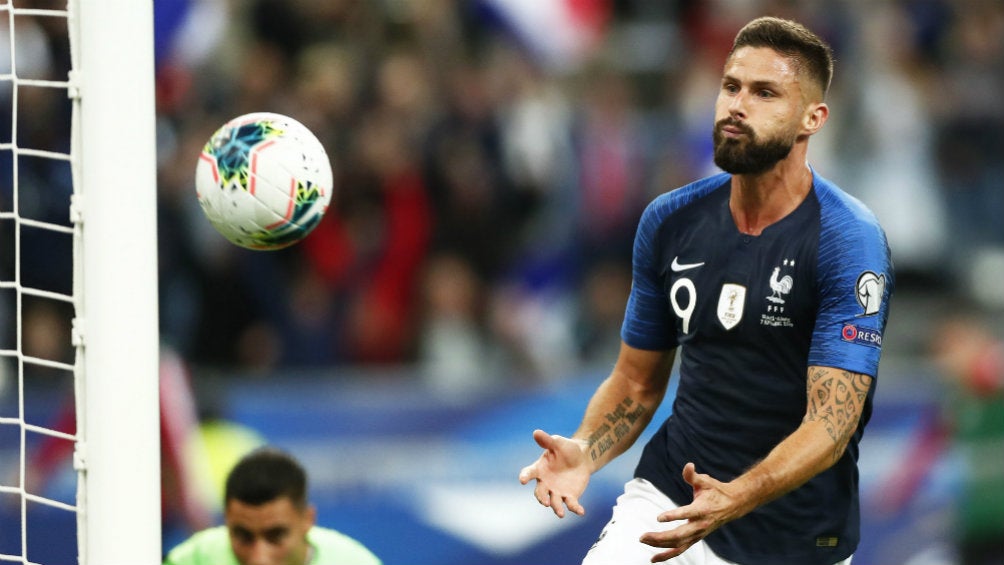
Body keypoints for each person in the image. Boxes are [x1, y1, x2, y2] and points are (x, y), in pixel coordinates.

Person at [518, 16, 894, 565]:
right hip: (671, 503)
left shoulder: (848, 240)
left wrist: (736, 496)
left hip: (798, 538)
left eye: (765, 92)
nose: (737, 105)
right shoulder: (671, 220)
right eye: (731, 86)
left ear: (813, 119)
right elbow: (638, 381)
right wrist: (585, 450)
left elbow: (831, 425)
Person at [164, 447, 381, 565]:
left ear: (307, 519)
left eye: (275, 536)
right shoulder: (194, 558)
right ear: (227, 519)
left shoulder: (355, 562)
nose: (259, 558)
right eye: (243, 536)